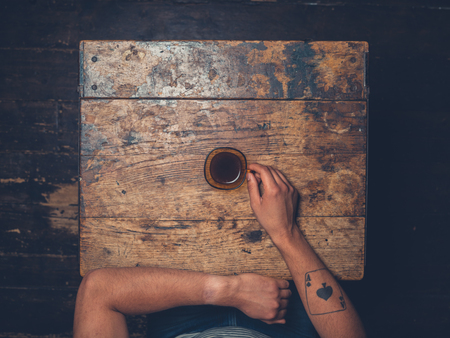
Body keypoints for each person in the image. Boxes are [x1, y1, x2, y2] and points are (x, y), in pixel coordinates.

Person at [74, 163, 366, 338]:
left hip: (181, 315)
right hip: (284, 318)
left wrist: (229, 291)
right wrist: (286, 233)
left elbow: (99, 291)